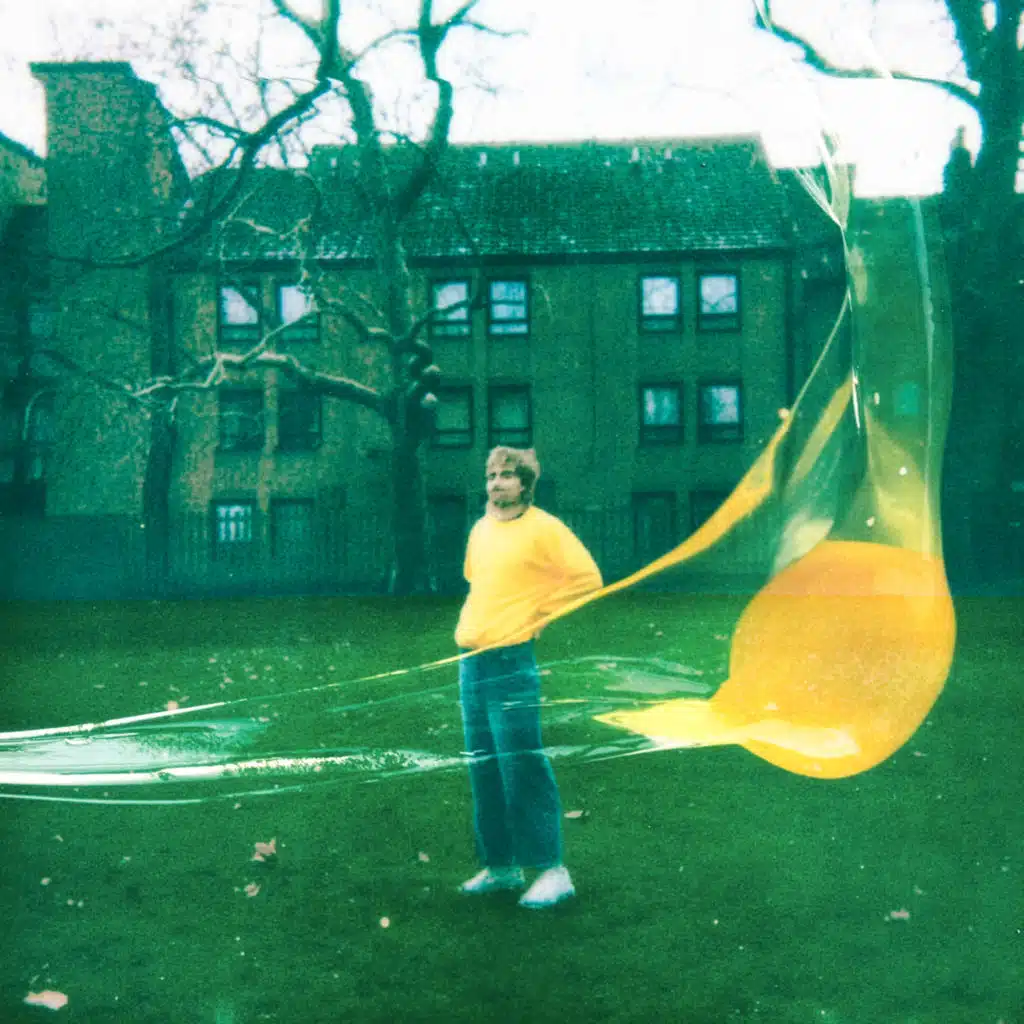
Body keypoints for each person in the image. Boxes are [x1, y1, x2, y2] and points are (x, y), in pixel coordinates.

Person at [455, 446, 603, 909]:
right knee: (483, 765)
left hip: (511, 663)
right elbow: (480, 582)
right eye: (491, 475)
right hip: (471, 662)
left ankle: (552, 870)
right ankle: (501, 866)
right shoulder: (481, 529)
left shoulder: (545, 528)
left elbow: (587, 578)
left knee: (521, 765)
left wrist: (538, 613)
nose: (496, 483)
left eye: (507, 475)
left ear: (525, 484)